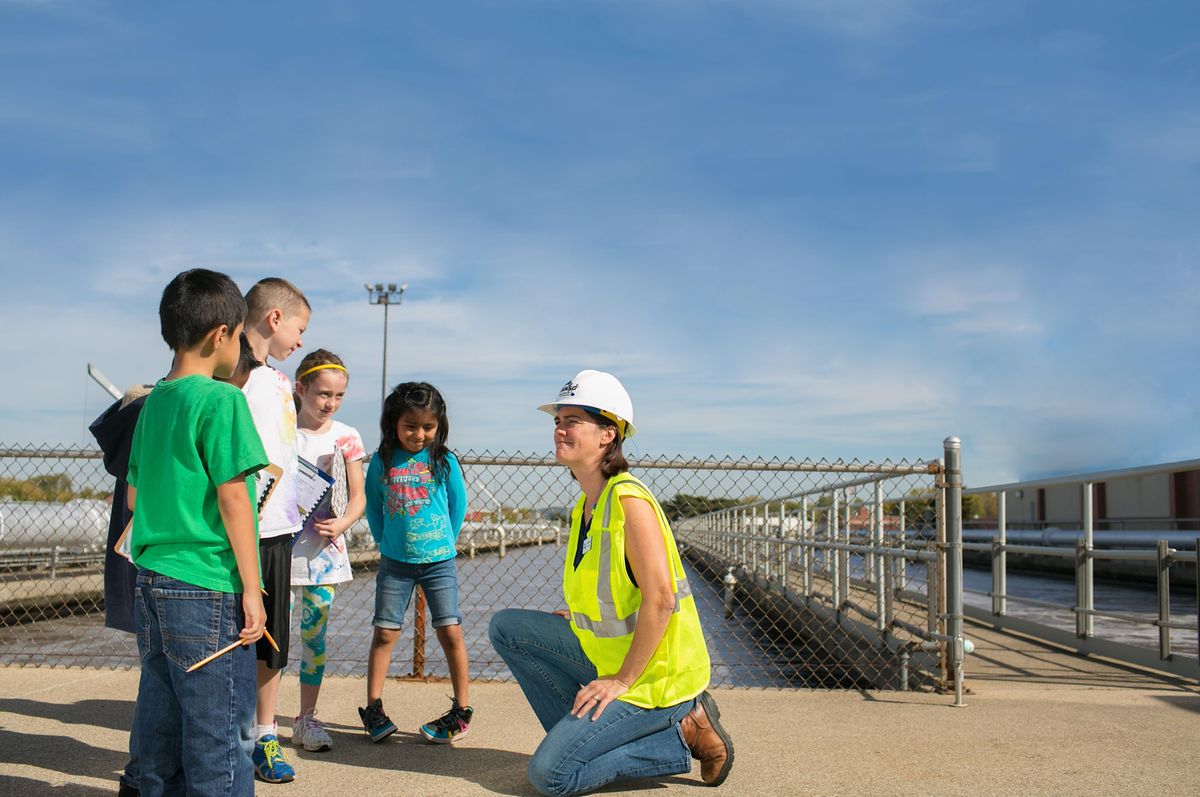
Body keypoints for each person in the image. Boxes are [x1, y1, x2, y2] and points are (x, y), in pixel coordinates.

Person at [488, 370, 734, 796]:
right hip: (609, 659)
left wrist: (621, 681)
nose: (560, 429)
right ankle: (581, 738)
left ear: (608, 435)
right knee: (507, 627)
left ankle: (683, 730)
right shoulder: (585, 505)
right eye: (557, 421)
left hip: (654, 680)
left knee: (551, 776)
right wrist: (575, 617)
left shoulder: (628, 501)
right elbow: (610, 590)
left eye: (572, 421)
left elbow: (660, 600)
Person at [125, 268, 269, 796]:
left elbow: (136, 495)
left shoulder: (155, 401)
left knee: (161, 728)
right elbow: (235, 500)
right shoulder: (222, 400)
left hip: (152, 580)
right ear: (221, 335)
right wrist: (252, 590)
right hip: (209, 584)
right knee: (221, 739)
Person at [361, 381, 472, 744]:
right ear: (393, 422)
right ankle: (374, 709)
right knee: (385, 632)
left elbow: (458, 507)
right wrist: (384, 542)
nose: (419, 434)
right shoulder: (382, 460)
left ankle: (461, 710)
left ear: (439, 426)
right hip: (395, 563)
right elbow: (375, 507)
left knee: (450, 631)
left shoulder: (445, 460)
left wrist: (444, 542)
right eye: (411, 426)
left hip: (439, 562)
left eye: (428, 427)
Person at [241, 276, 310, 783]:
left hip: (278, 529)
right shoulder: (232, 372)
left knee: (272, 642)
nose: (300, 342)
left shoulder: (275, 377)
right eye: (299, 329)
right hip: (242, 530)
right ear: (275, 318)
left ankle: (265, 733)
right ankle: (231, 735)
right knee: (231, 636)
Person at [288, 349, 366, 752]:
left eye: (337, 396)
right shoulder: (281, 428)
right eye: (322, 394)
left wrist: (343, 522)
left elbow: (358, 497)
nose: (329, 403)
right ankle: (258, 720)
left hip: (323, 558)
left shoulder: (346, 436)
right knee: (269, 641)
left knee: (314, 639)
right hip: (278, 555)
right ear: (300, 388)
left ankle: (306, 717)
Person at [89, 382, 152, 797]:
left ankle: (141, 772)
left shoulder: (135, 413)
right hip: (176, 553)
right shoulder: (164, 408)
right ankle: (148, 771)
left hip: (137, 549)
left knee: (155, 671)